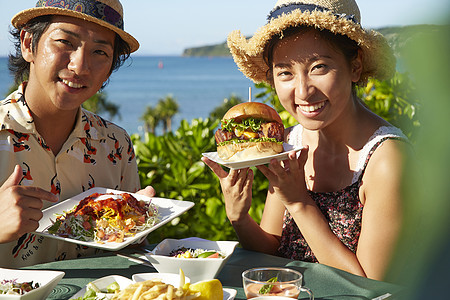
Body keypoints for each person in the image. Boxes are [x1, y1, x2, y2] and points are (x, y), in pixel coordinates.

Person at [202, 0, 412, 280]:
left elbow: (368, 288)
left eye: (319, 67)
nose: (302, 91)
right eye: (285, 72)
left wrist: (299, 202)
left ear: (355, 67)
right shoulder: (291, 140)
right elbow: (272, 252)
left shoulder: (387, 160)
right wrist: (239, 217)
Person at [0, 0, 155, 268]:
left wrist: (140, 221)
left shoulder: (115, 144)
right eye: (65, 42)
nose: (80, 66)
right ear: (28, 44)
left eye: (99, 52)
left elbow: (128, 253)